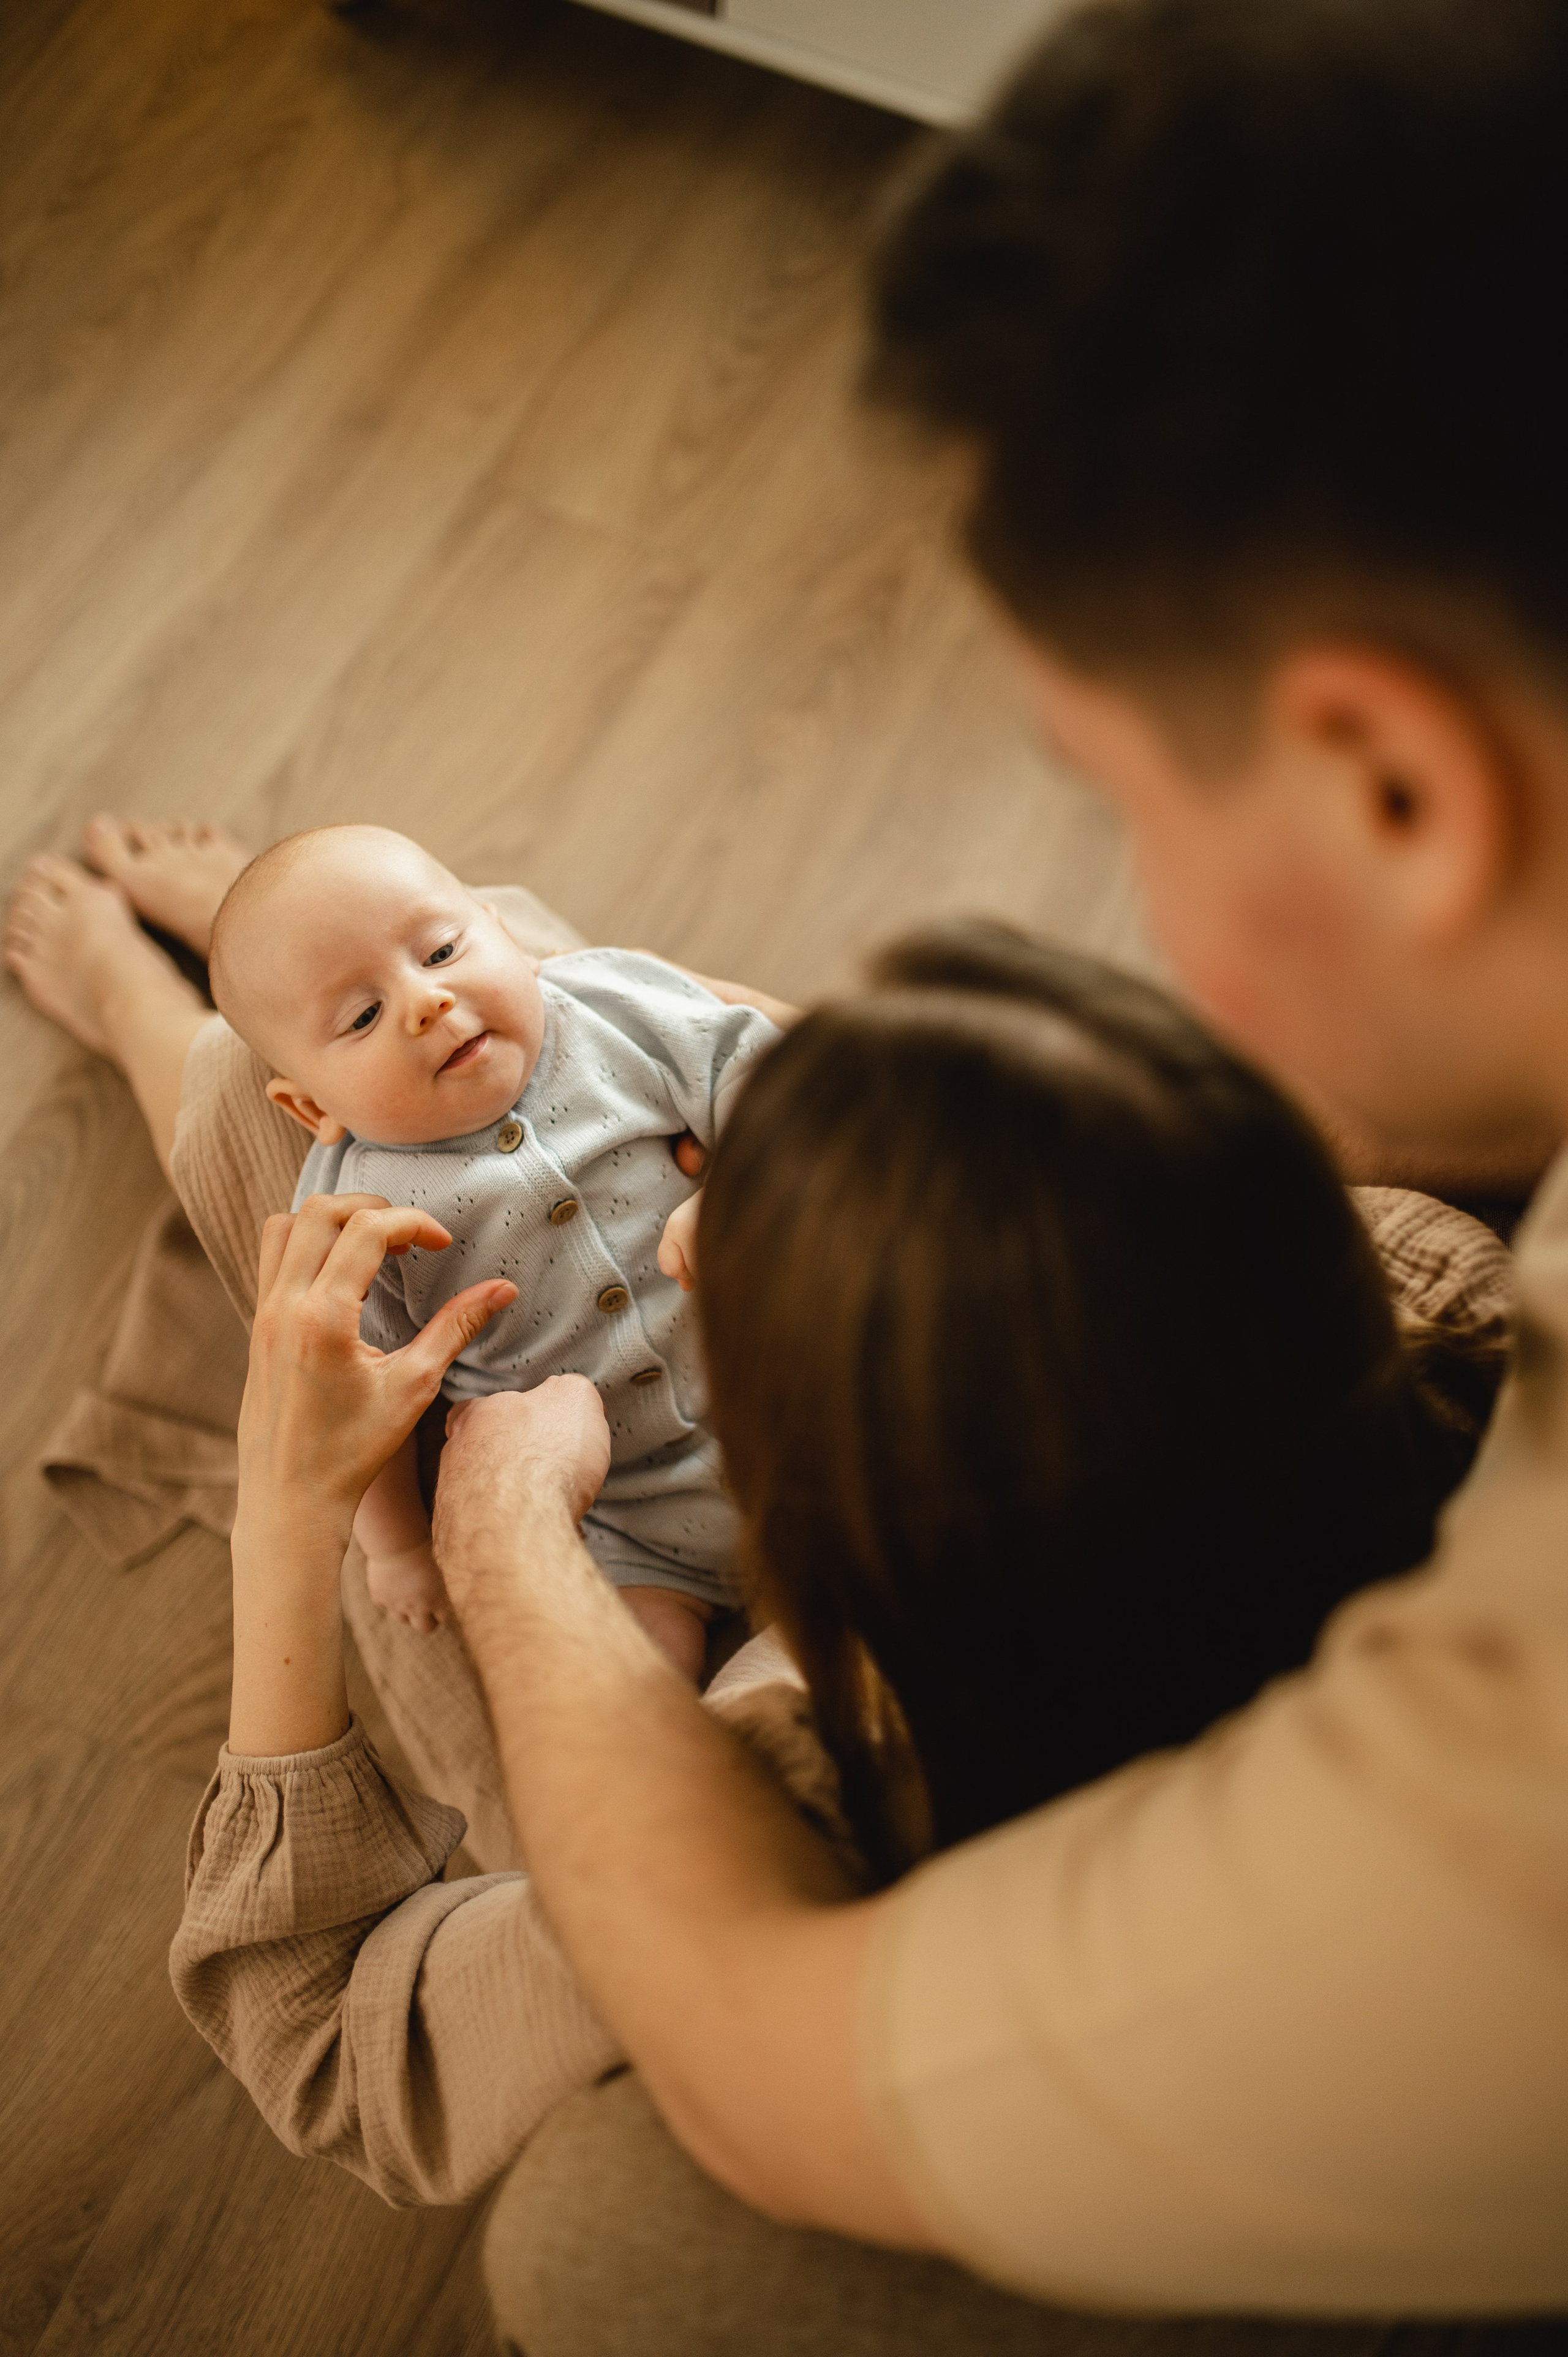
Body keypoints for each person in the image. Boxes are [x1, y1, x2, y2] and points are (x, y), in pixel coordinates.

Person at [165, 919, 1504, 2292]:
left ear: (841, 1490)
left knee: (236, 1078)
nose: (677, 1256)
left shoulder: (798, 1777)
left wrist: (353, 1524)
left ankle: (174, 998)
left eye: (729, 1280)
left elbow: (326, 2036)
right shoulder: (1436, 1301)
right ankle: (298, 963)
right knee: (454, 986)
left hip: (605, 1622)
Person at [204, 821, 775, 1662]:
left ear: (505, 933)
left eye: (440, 952)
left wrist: (750, 1183)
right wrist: (396, 1546)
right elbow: (359, 1412)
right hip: (628, 1523)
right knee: (624, 1682)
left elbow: (769, 1072)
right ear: (311, 1110)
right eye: (363, 1015)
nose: (426, 1001)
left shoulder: (616, 1012)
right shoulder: (359, 1221)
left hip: (808, 1401)